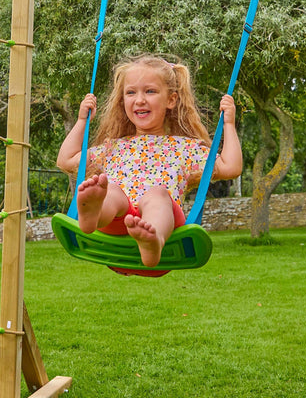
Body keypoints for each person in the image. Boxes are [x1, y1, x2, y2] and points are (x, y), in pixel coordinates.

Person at [56, 54, 241, 268]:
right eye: (131, 92)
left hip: (164, 234)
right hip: (116, 229)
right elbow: (66, 160)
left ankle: (152, 240)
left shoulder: (184, 149)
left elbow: (231, 167)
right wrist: (81, 121)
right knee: (112, 190)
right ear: (122, 100)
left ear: (171, 99)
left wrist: (228, 123)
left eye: (150, 91)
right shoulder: (113, 147)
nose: (140, 99)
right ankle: (93, 214)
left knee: (157, 195)